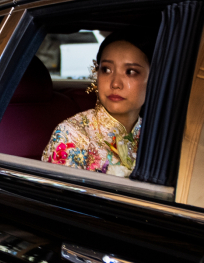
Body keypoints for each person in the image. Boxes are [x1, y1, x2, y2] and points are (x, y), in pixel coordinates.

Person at [42, 31, 153, 178]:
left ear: (153, 79)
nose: (115, 83)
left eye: (130, 72)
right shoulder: (71, 135)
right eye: (106, 69)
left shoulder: (155, 136)